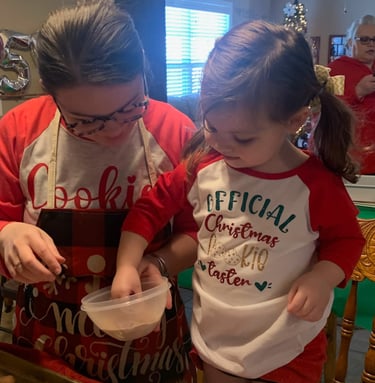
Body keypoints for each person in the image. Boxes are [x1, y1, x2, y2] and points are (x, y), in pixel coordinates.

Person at [111, 20, 366, 383]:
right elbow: (149, 209)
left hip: (287, 347)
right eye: (211, 126)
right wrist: (126, 265)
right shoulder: (202, 166)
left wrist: (322, 278)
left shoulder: (316, 185)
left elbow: (347, 240)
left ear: (294, 120)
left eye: (243, 138)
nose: (221, 145)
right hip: (216, 337)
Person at [0, 1, 198, 382]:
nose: (114, 132)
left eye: (130, 108)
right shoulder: (19, 131)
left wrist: (158, 264)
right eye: (86, 123)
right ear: (50, 93)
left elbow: (199, 231)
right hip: (48, 345)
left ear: (142, 68)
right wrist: (7, 233)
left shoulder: (176, 132)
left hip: (151, 348)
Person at [328, 14, 375, 174]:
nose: (371, 44)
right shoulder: (335, 70)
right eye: (364, 39)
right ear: (350, 42)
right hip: (349, 159)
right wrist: (358, 91)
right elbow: (323, 111)